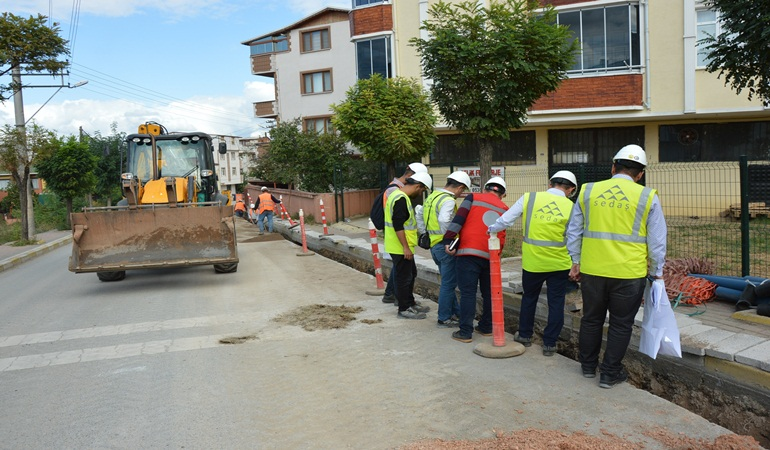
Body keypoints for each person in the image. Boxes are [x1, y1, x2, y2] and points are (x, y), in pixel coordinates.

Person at [566, 144, 667, 388]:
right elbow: (657, 242)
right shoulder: (647, 196)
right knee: (621, 324)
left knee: (591, 319)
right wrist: (657, 273)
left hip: (593, 270)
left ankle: (588, 367)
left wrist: (575, 261)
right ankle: (610, 374)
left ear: (613, 167)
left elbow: (573, 230)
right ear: (640, 174)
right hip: (628, 274)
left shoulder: (588, 190)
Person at [488, 170, 578, 356]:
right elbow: (574, 237)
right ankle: (550, 344)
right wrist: (576, 262)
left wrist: (492, 229)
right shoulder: (571, 207)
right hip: (559, 264)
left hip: (533, 263)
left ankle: (525, 335)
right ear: (571, 189)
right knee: (556, 303)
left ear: (549, 183)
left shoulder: (529, 198)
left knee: (529, 298)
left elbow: (505, 219)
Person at [443, 177, 509, 342]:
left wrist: (448, 240)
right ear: (503, 194)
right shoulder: (504, 208)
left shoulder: (473, 197)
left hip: (468, 253)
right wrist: (496, 256)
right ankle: (486, 327)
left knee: (468, 293)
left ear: (485, 188)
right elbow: (502, 235)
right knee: (488, 293)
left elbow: (459, 219)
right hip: (490, 255)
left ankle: (465, 332)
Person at [416, 171, 472, 327]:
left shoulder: (432, 196)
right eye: (463, 189)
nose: (461, 193)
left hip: (434, 245)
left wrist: (424, 234)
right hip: (445, 246)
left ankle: (455, 313)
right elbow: (443, 220)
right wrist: (450, 238)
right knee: (448, 284)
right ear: (459, 187)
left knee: (449, 282)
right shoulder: (447, 200)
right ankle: (444, 317)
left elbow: (419, 215)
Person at [384, 172, 433, 319]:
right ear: (418, 186)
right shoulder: (400, 199)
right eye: (422, 190)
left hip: (401, 245)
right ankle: (404, 308)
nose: (421, 193)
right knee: (403, 278)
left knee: (411, 274)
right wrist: (405, 247)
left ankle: (410, 303)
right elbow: (398, 225)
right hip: (400, 247)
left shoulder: (398, 195)